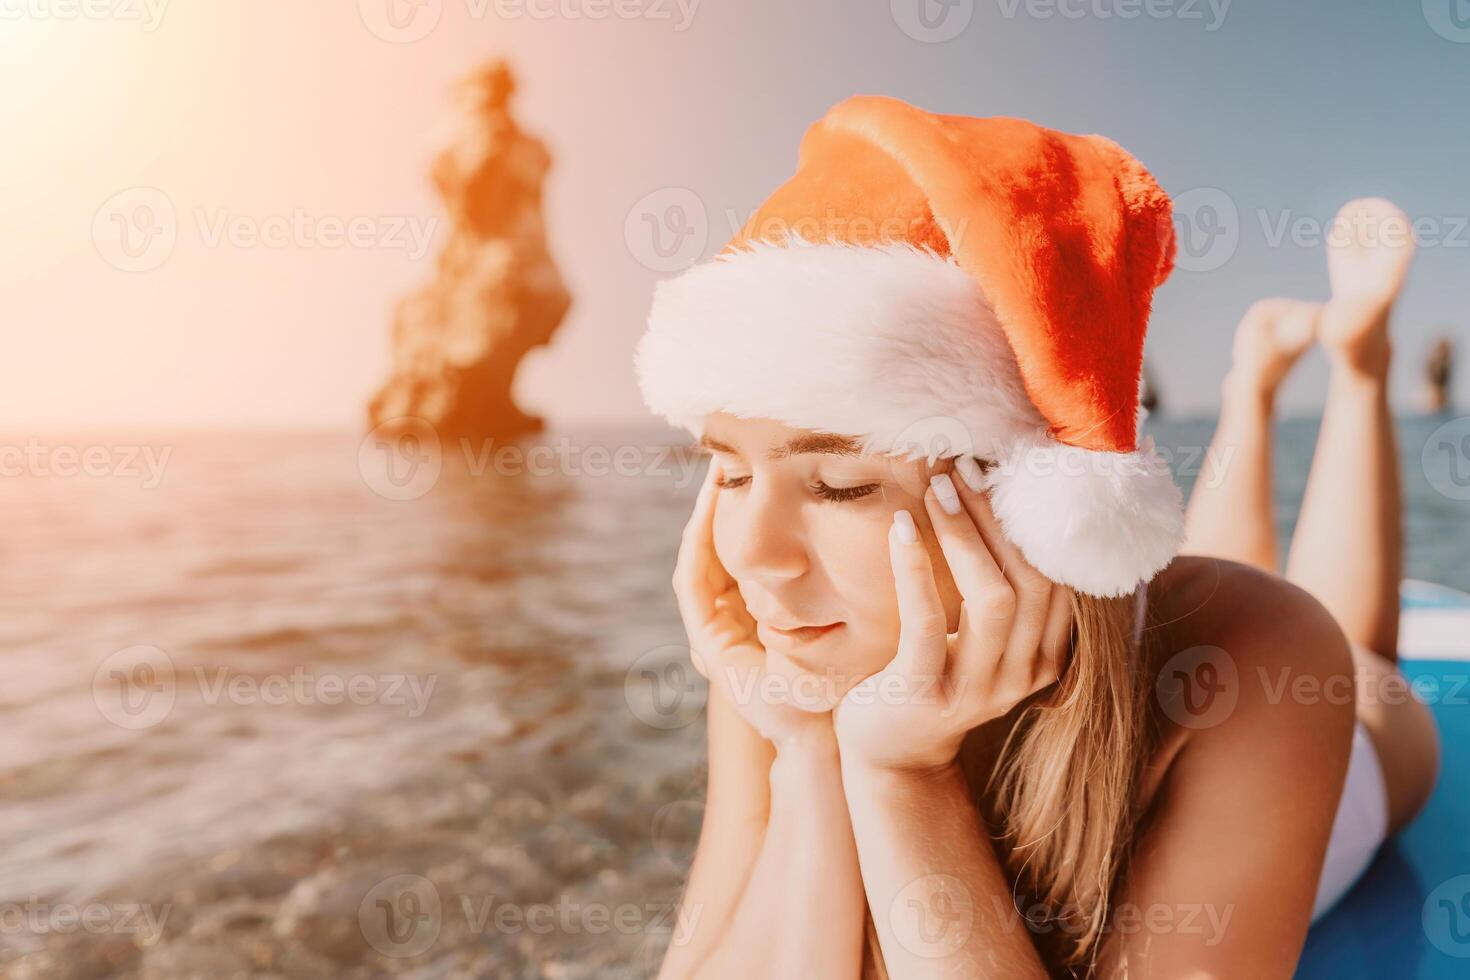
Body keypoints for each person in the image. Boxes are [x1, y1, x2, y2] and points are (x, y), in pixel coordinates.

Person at [634, 96, 1440, 978]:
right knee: (1223, 585)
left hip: (1351, 744)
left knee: (1333, 639)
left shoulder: (1266, 658)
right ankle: (1251, 383)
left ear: (1020, 500)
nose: (750, 553)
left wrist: (906, 782)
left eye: (838, 483)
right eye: (732, 473)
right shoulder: (783, 652)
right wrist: (813, 754)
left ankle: (1358, 367)